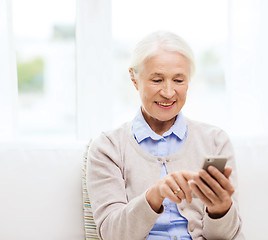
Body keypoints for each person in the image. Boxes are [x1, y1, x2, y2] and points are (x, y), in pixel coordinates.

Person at [87, 31, 243, 240]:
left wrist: (221, 210)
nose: (169, 92)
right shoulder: (108, 148)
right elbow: (113, 235)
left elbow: (227, 236)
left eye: (178, 80)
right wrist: (155, 195)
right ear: (134, 79)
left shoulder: (215, 141)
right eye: (157, 80)